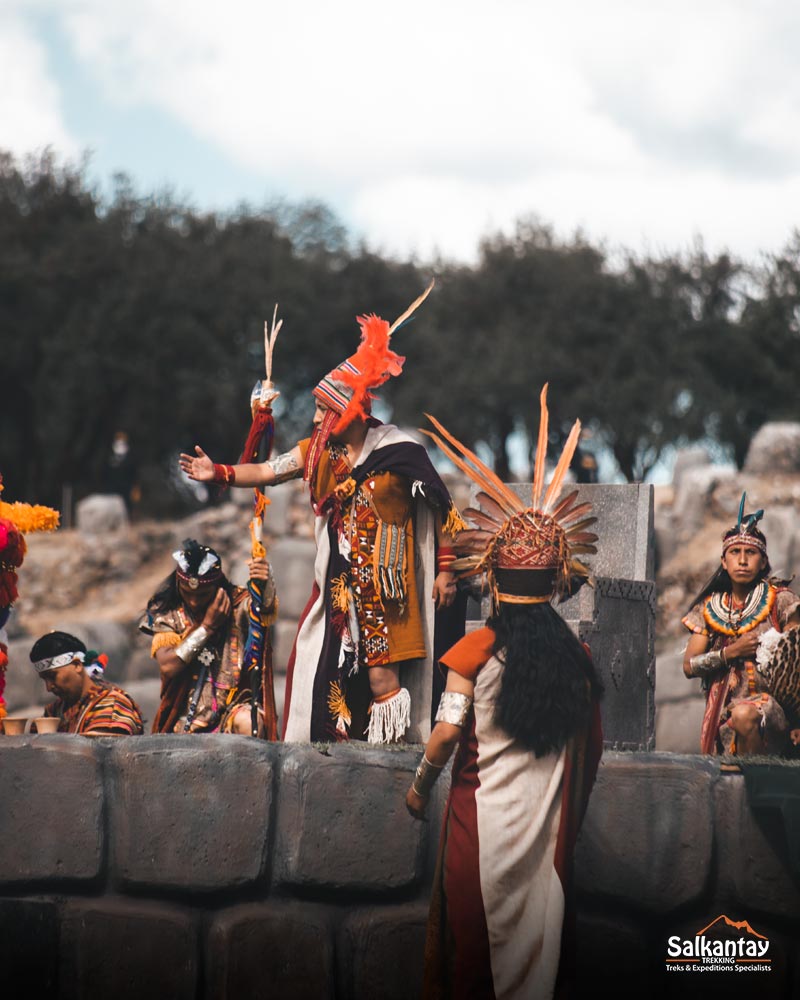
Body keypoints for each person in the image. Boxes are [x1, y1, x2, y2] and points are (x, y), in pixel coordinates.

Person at [179, 287, 467, 745]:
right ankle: (335, 758)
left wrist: (446, 572)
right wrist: (218, 472)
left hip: (389, 588)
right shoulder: (318, 453)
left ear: (348, 410)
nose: (315, 419)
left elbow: (441, 508)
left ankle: (389, 761)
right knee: (323, 671)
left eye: (322, 410)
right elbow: (269, 470)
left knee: (383, 684)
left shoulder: (400, 451)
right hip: (337, 588)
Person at [406, 385, 604, 1000]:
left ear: (490, 576)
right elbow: (589, 755)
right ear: (557, 580)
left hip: (479, 833)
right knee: (537, 975)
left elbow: (444, 735)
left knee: (472, 970)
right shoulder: (579, 659)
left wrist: (417, 790)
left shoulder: (473, 651)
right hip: (546, 848)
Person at [682, 494, 800, 756]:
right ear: (724, 562)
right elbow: (689, 666)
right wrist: (730, 653)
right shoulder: (708, 608)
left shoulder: (782, 602)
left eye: (751, 553)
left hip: (773, 713)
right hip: (722, 712)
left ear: (763, 562)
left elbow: (798, 662)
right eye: (735, 552)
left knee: (746, 715)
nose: (743, 560)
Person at [139, 538, 279, 736]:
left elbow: (262, 609)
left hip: (232, 711)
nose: (194, 602)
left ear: (218, 585)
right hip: (183, 719)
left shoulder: (238, 603)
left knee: (250, 721)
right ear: (179, 583)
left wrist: (265, 581)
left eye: (203, 595)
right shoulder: (167, 612)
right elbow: (168, 666)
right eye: (188, 593)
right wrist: (207, 627)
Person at [28, 630, 144, 736]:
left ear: (78, 665)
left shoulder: (113, 703)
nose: (49, 687)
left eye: (53, 677)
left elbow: (98, 752)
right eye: (44, 680)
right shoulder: (54, 711)